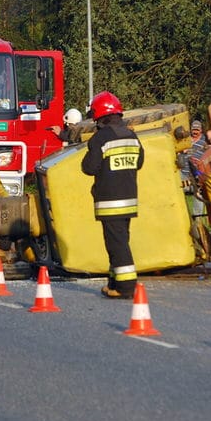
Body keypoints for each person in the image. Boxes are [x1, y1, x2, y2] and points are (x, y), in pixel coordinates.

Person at [81, 91, 144, 299]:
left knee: (116, 244)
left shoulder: (102, 137)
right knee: (119, 241)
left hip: (109, 200)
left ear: (99, 115)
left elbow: (89, 168)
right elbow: (140, 162)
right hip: (129, 197)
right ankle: (114, 283)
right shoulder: (131, 135)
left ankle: (126, 287)